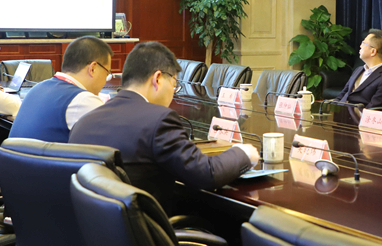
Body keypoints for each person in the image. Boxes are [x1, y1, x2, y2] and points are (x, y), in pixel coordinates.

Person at [69, 41, 259, 214]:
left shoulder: (83, 123)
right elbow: (206, 174)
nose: (173, 93)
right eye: (174, 84)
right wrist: (243, 153)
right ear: (158, 79)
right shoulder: (159, 120)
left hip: (97, 233)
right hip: (146, 233)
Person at [9, 36, 113, 143]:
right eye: (107, 73)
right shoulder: (84, 100)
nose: (105, 80)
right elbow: (112, 142)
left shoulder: (37, 89)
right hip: (44, 155)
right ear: (93, 69)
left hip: (15, 153)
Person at [335, 29, 382, 109]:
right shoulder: (359, 70)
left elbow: (372, 109)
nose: (360, 46)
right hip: (340, 112)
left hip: (357, 116)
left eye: (364, 43)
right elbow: (342, 95)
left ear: (373, 51)